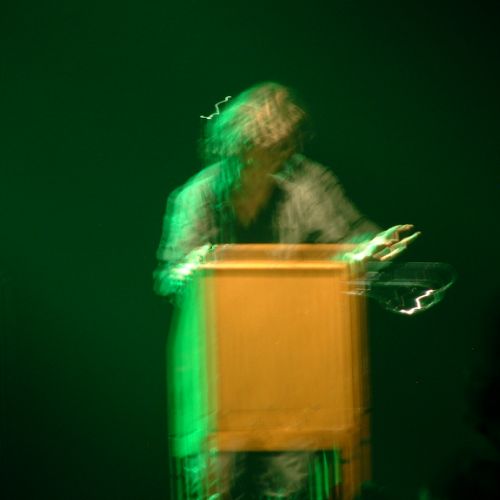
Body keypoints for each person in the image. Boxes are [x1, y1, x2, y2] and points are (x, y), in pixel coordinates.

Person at [154, 82, 420, 499]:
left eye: (282, 150)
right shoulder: (196, 196)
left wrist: (368, 251)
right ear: (235, 148)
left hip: (291, 370)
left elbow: (348, 243)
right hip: (218, 375)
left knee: (288, 487)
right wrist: (191, 269)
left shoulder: (307, 184)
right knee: (215, 486)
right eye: (261, 150)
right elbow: (170, 276)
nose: (274, 160)